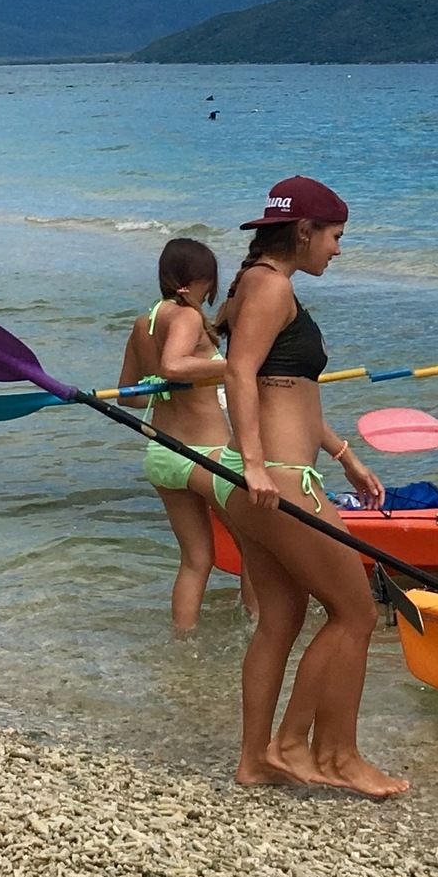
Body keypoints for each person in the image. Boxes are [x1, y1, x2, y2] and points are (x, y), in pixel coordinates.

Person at [216, 175, 397, 797]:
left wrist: (346, 456)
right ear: (304, 230)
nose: (338, 249)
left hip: (262, 481)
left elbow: (286, 393)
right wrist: (256, 464)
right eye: (335, 236)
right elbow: (239, 374)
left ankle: (253, 759)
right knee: (357, 613)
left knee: (282, 617)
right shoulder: (272, 286)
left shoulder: (254, 282)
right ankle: (321, 752)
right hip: (279, 481)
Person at [117, 237, 249, 638]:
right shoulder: (187, 317)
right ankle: (259, 632)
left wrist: (164, 391)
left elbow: (130, 396)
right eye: (208, 286)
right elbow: (174, 366)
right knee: (256, 551)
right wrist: (236, 366)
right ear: (196, 281)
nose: (208, 296)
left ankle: (183, 642)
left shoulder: (145, 323)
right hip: (207, 455)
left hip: (163, 453)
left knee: (196, 559)